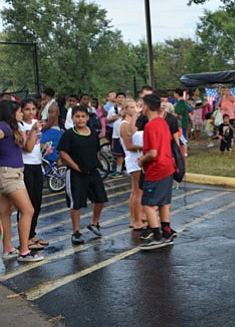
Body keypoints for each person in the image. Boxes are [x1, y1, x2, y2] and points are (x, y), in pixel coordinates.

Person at [0, 100, 44, 262]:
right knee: (28, 210)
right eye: (19, 111)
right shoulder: (4, 127)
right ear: (11, 113)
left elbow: (28, 147)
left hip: (10, 173)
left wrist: (33, 130)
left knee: (5, 212)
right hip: (9, 174)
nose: (22, 114)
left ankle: (8, 248)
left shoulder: (13, 128)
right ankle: (24, 251)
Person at [58, 105, 108, 245]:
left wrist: (94, 162)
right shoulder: (69, 134)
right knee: (76, 203)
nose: (80, 119)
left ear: (87, 117)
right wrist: (76, 167)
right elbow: (63, 153)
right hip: (76, 174)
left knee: (100, 198)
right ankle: (76, 231)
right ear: (73, 118)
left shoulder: (92, 132)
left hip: (92, 171)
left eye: (83, 116)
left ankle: (94, 222)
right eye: (77, 116)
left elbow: (96, 150)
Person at [137, 94, 177, 249]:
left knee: (147, 203)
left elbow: (153, 152)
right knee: (163, 202)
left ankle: (157, 235)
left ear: (146, 106)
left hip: (156, 168)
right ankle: (167, 231)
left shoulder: (150, 125)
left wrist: (142, 160)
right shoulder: (162, 122)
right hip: (168, 166)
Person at [19, 98, 48, 250]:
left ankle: (32, 234)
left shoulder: (36, 124)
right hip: (26, 166)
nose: (31, 112)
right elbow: (28, 147)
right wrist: (35, 130)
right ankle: (25, 238)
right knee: (26, 204)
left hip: (37, 165)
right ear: (21, 111)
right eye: (27, 109)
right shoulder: (20, 125)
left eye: (33, 109)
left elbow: (36, 145)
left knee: (37, 201)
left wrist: (45, 148)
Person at [119, 99, 145, 230]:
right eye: (131, 107)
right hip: (133, 160)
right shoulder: (124, 125)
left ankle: (135, 218)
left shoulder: (132, 123)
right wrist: (146, 147)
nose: (134, 109)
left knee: (136, 191)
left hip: (137, 158)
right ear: (125, 110)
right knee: (137, 191)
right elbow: (129, 145)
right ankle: (136, 220)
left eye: (135, 107)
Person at [107, 92, 126, 176]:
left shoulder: (128, 108)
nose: (120, 99)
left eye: (122, 97)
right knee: (119, 154)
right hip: (116, 135)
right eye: (119, 97)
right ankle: (118, 170)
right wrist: (114, 118)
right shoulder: (113, 109)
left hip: (126, 135)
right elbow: (107, 120)